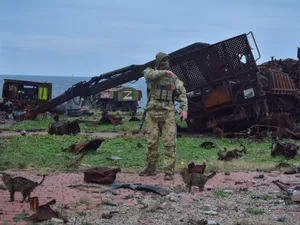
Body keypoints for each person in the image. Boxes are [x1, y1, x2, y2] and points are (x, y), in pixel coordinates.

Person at [139, 52, 188, 180]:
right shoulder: (151, 73)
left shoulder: (173, 78)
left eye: (167, 61)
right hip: (152, 113)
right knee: (151, 143)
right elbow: (148, 75)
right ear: (158, 62)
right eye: (163, 61)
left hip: (167, 114)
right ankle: (151, 168)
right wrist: (164, 73)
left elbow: (182, 93)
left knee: (170, 143)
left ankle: (169, 171)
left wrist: (184, 109)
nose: (166, 63)